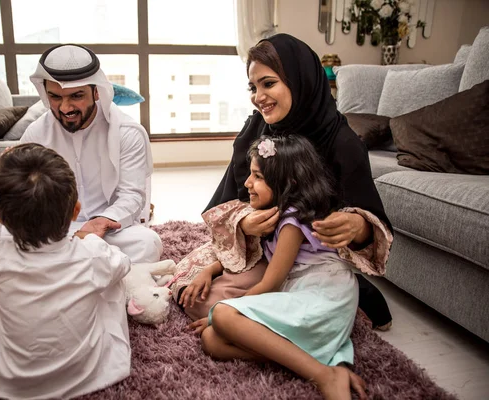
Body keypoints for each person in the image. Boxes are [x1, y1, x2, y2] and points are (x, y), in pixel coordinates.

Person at [189, 33, 393, 329]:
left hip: (314, 260)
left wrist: (357, 226)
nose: (258, 97)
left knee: (220, 309)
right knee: (195, 295)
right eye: (253, 87)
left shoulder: (343, 144)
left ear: (300, 80)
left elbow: (370, 219)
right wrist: (245, 222)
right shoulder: (257, 128)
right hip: (264, 248)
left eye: (268, 83)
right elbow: (233, 196)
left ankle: (354, 291)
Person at [195, 135, 370, 400]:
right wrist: (212, 270)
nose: (247, 183)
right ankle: (313, 361)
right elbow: (251, 256)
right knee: (211, 341)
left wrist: (226, 311)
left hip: (324, 296)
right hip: (303, 296)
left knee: (221, 316)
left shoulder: (292, 221)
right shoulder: (274, 215)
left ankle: (323, 376)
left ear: (288, 183)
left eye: (258, 177)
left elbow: (271, 284)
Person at [0, 143, 132, 399]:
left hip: (12, 381)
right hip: (92, 372)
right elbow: (123, 263)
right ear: (76, 211)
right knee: (112, 279)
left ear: (1, 218)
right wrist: (90, 240)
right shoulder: (93, 254)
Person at [20, 43, 162, 263]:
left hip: (107, 230)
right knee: (9, 240)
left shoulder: (127, 132)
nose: (66, 108)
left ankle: (64, 275)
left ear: (96, 91)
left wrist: (101, 222)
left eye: (76, 96)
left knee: (147, 242)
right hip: (58, 231)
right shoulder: (36, 133)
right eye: (55, 97)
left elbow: (132, 195)